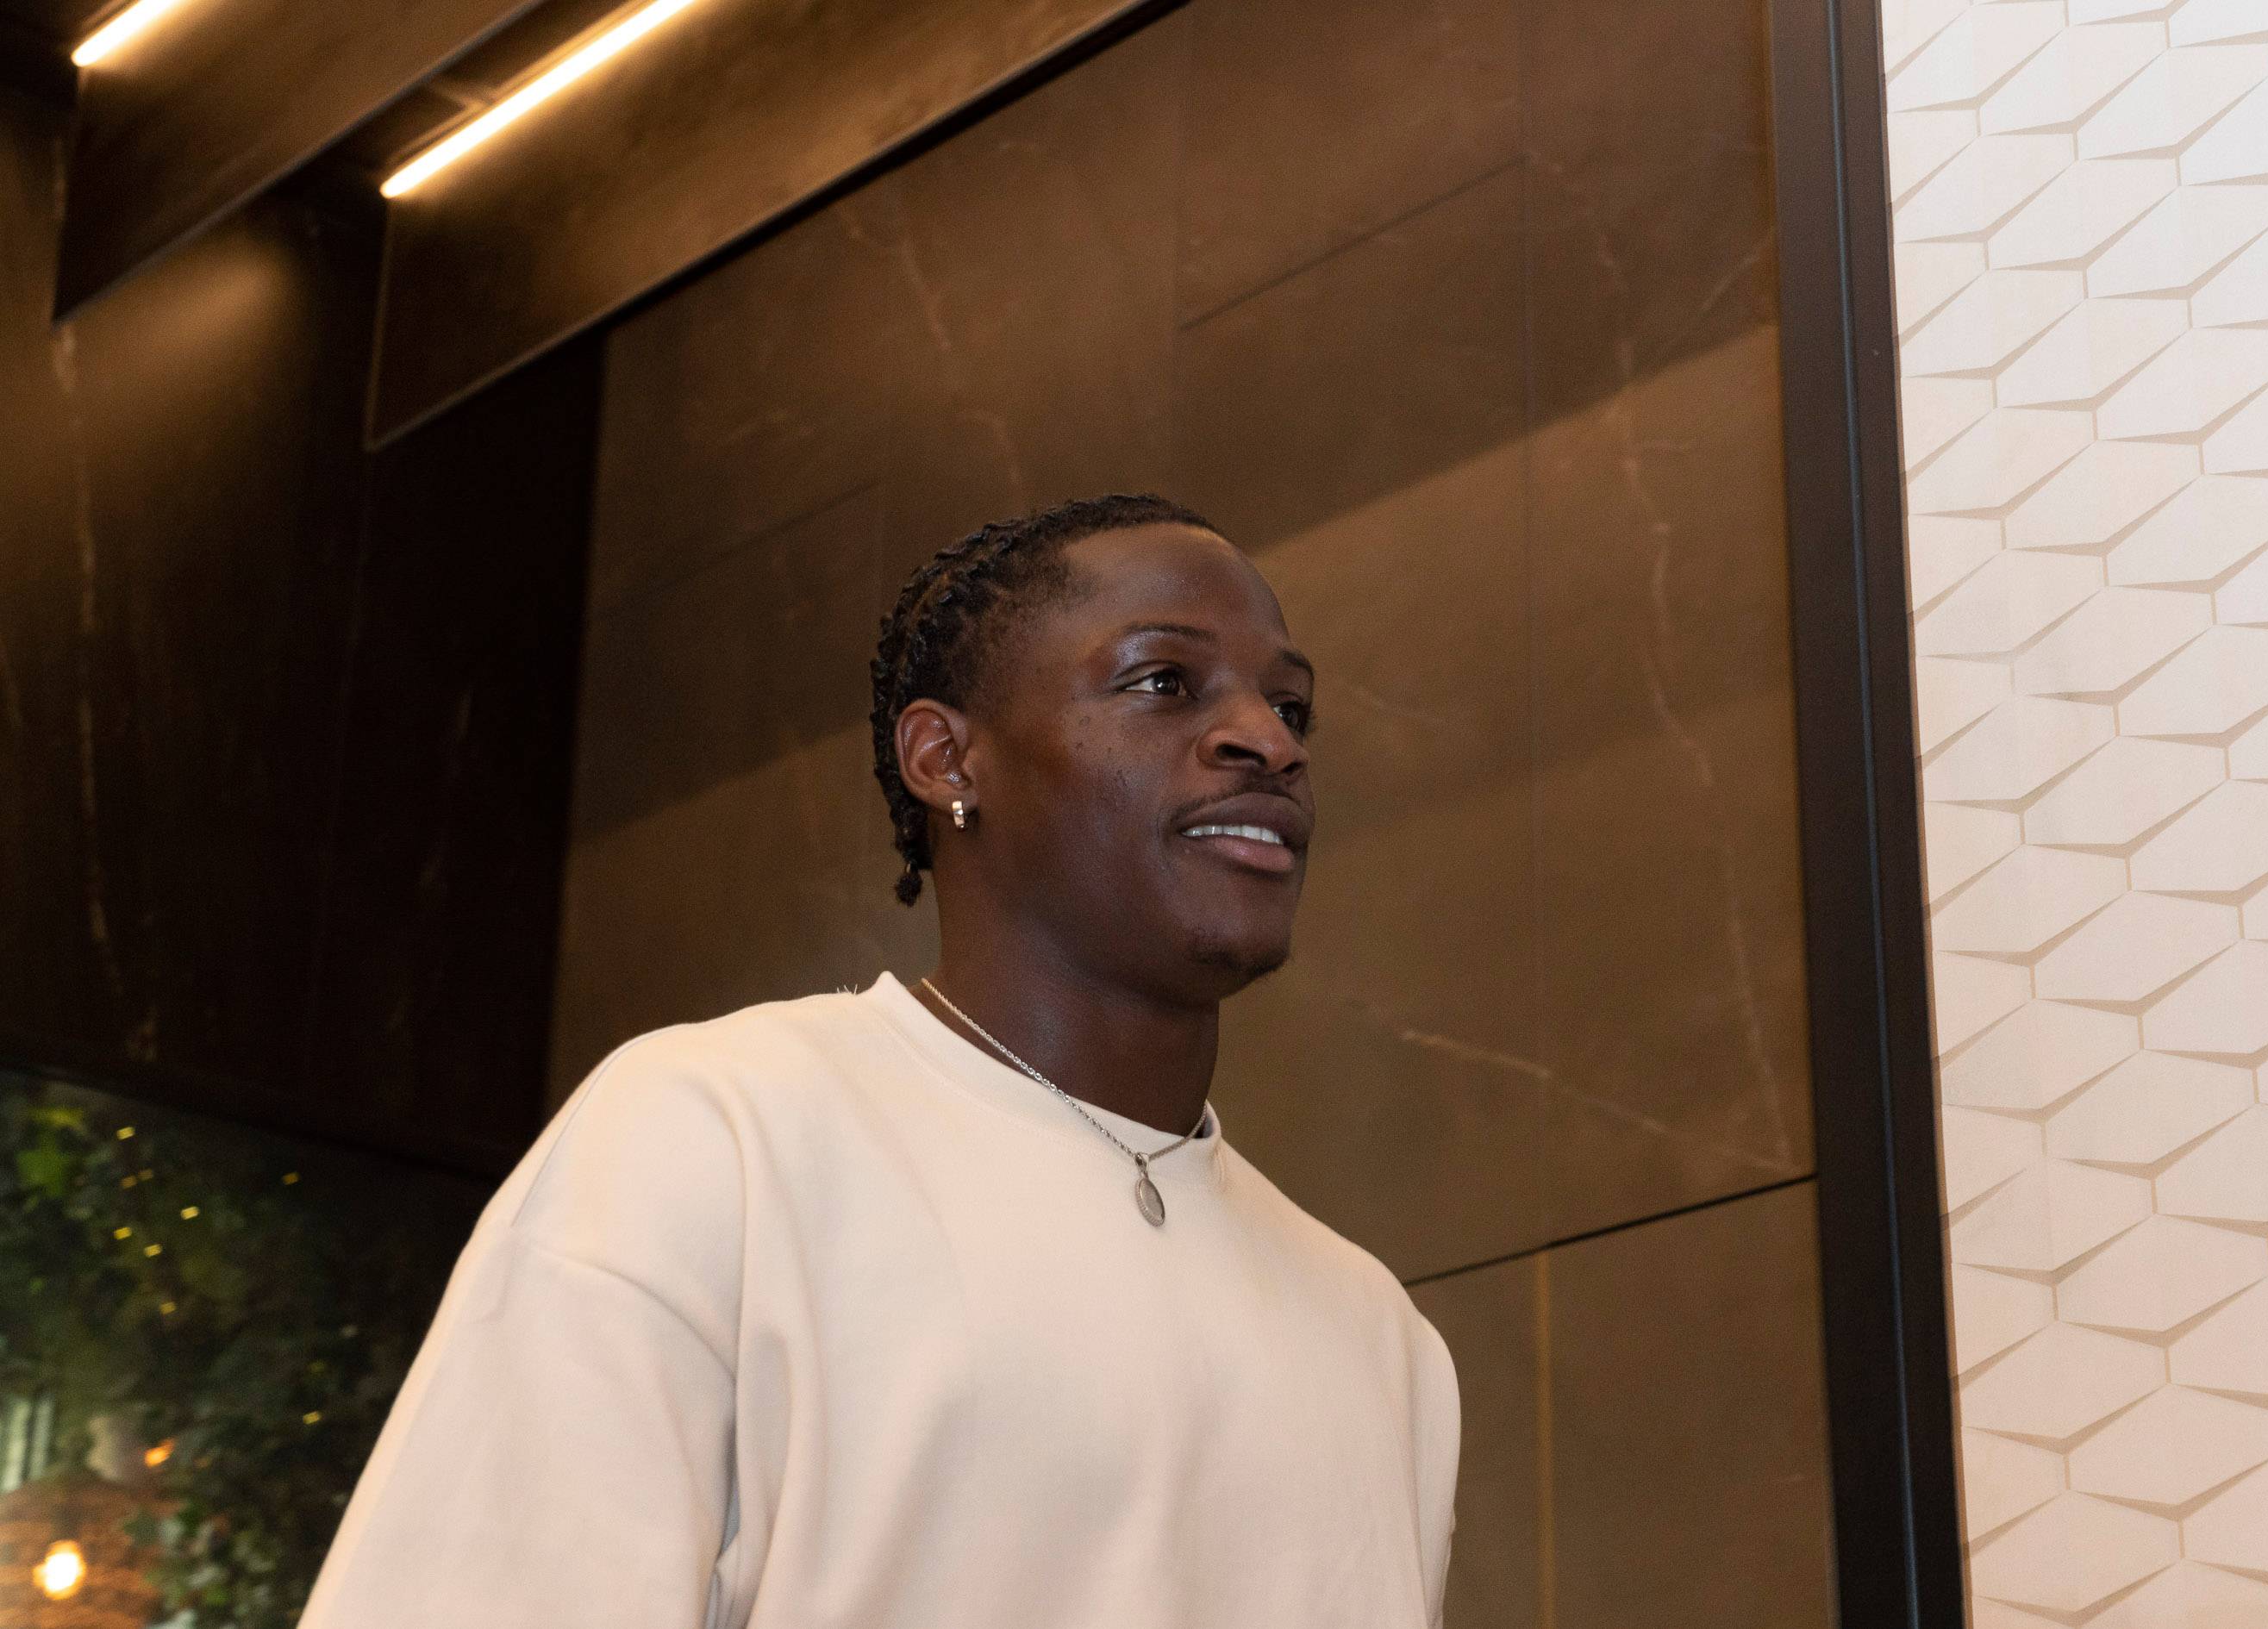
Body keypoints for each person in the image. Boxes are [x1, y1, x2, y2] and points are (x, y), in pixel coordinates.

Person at [297, 494, 1462, 1629]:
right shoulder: (715, 1140)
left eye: (1292, 707)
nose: (1270, 740)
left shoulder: (1375, 1333)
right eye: (1163, 681)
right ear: (946, 758)